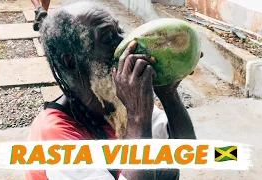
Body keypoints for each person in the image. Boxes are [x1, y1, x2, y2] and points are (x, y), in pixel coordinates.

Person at [26, 1, 203, 180]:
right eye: (108, 39)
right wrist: (136, 116)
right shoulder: (55, 136)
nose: (125, 44)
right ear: (71, 62)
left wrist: (168, 93)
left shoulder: (115, 99)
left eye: (120, 32)